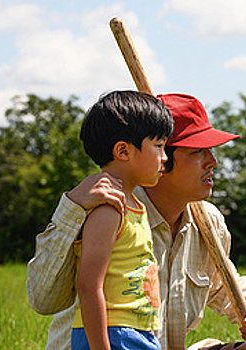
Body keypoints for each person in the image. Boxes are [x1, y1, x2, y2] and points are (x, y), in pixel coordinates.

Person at [27, 93, 246, 350]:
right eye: (197, 152)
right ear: (163, 158)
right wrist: (71, 207)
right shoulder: (107, 208)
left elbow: (221, 282)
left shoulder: (209, 221)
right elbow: (43, 300)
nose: (213, 162)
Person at [72, 90, 173, 349]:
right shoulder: (108, 209)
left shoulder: (135, 206)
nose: (165, 157)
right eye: (159, 146)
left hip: (136, 332)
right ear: (123, 151)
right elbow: (87, 285)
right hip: (113, 333)